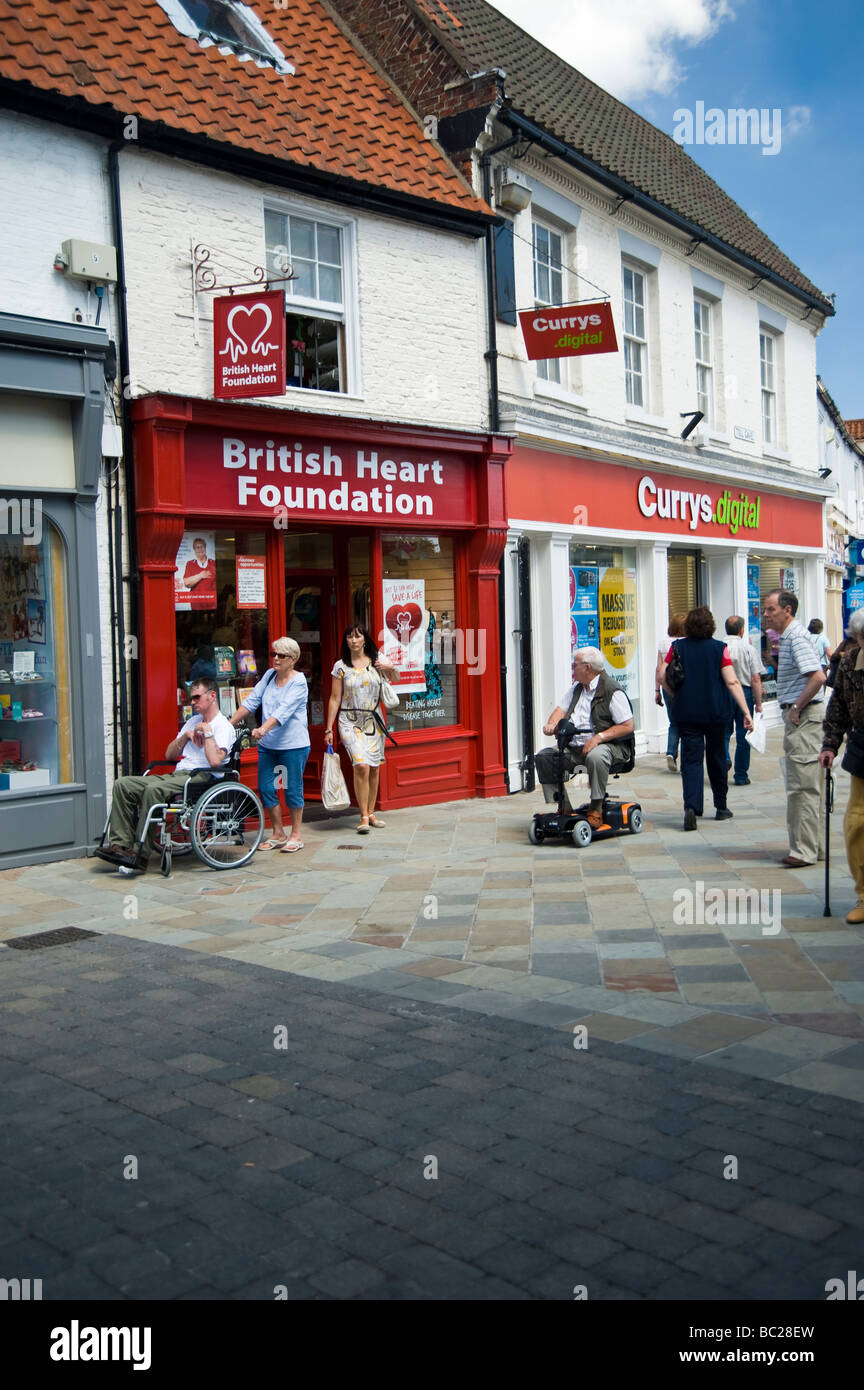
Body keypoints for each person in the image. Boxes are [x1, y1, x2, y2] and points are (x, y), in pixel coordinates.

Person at [94, 678, 235, 874]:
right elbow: (169, 755)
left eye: (196, 697)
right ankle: (120, 846)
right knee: (123, 784)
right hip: (179, 773)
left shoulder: (223, 726)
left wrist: (208, 734)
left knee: (153, 790)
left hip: (201, 776)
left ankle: (139, 854)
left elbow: (214, 762)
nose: (192, 702)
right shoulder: (192, 722)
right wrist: (185, 737)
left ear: (212, 696)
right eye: (191, 698)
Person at [661, 607, 753, 832]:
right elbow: (732, 682)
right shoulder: (719, 649)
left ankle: (691, 807)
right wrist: (746, 712)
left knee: (691, 760)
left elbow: (661, 675)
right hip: (716, 712)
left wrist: (674, 695)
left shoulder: (677, 647)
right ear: (711, 625)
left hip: (688, 713)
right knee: (717, 757)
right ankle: (721, 807)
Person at [536, 647, 635, 829]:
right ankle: (564, 807)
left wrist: (598, 738)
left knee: (596, 756)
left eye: (575, 665)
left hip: (610, 747)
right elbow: (560, 710)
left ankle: (596, 808)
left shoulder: (612, 690)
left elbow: (628, 725)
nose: (572, 668)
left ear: (587, 668)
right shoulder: (576, 688)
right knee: (545, 757)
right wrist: (552, 724)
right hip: (575, 747)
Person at [763, 588, 826, 867]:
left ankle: (803, 851)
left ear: (787, 610)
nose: (766, 615)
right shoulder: (790, 637)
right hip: (804, 717)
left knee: (802, 787)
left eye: (771, 609)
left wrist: (798, 706)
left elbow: (818, 676)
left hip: (805, 718)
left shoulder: (796, 637)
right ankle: (814, 847)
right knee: (810, 786)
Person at [230, 636, 309, 853]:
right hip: (269, 745)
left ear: (292, 659)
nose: (275, 658)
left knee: (292, 789)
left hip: (293, 744)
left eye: (281, 655)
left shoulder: (299, 682)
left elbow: (284, 710)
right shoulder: (269, 675)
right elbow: (252, 701)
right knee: (266, 788)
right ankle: (278, 832)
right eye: (274, 654)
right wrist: (229, 724)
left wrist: (263, 728)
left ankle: (295, 835)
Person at [325, 626, 398, 833]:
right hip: (349, 720)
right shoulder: (340, 666)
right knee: (361, 765)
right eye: (349, 636)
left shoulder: (377, 660)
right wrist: (328, 729)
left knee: (374, 768)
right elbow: (334, 698)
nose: (354, 640)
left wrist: (390, 665)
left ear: (365, 639)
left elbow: (397, 679)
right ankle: (364, 816)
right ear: (346, 641)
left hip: (374, 722)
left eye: (358, 636)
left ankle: (371, 812)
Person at [820, 609, 864, 922]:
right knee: (856, 824)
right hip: (863, 749)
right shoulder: (849, 663)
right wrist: (829, 745)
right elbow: (837, 710)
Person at [722, 616, 765, 786]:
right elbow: (755, 678)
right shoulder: (748, 649)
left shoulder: (720, 647)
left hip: (724, 691)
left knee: (723, 733)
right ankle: (740, 775)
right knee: (744, 733)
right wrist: (759, 703)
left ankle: (724, 758)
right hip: (744, 692)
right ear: (741, 630)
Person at [655, 613, 686, 772]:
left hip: (668, 686)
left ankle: (671, 752)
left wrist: (657, 690)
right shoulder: (686, 643)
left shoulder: (663, 643)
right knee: (687, 721)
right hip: (683, 685)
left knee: (673, 721)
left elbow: (659, 669)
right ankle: (686, 754)